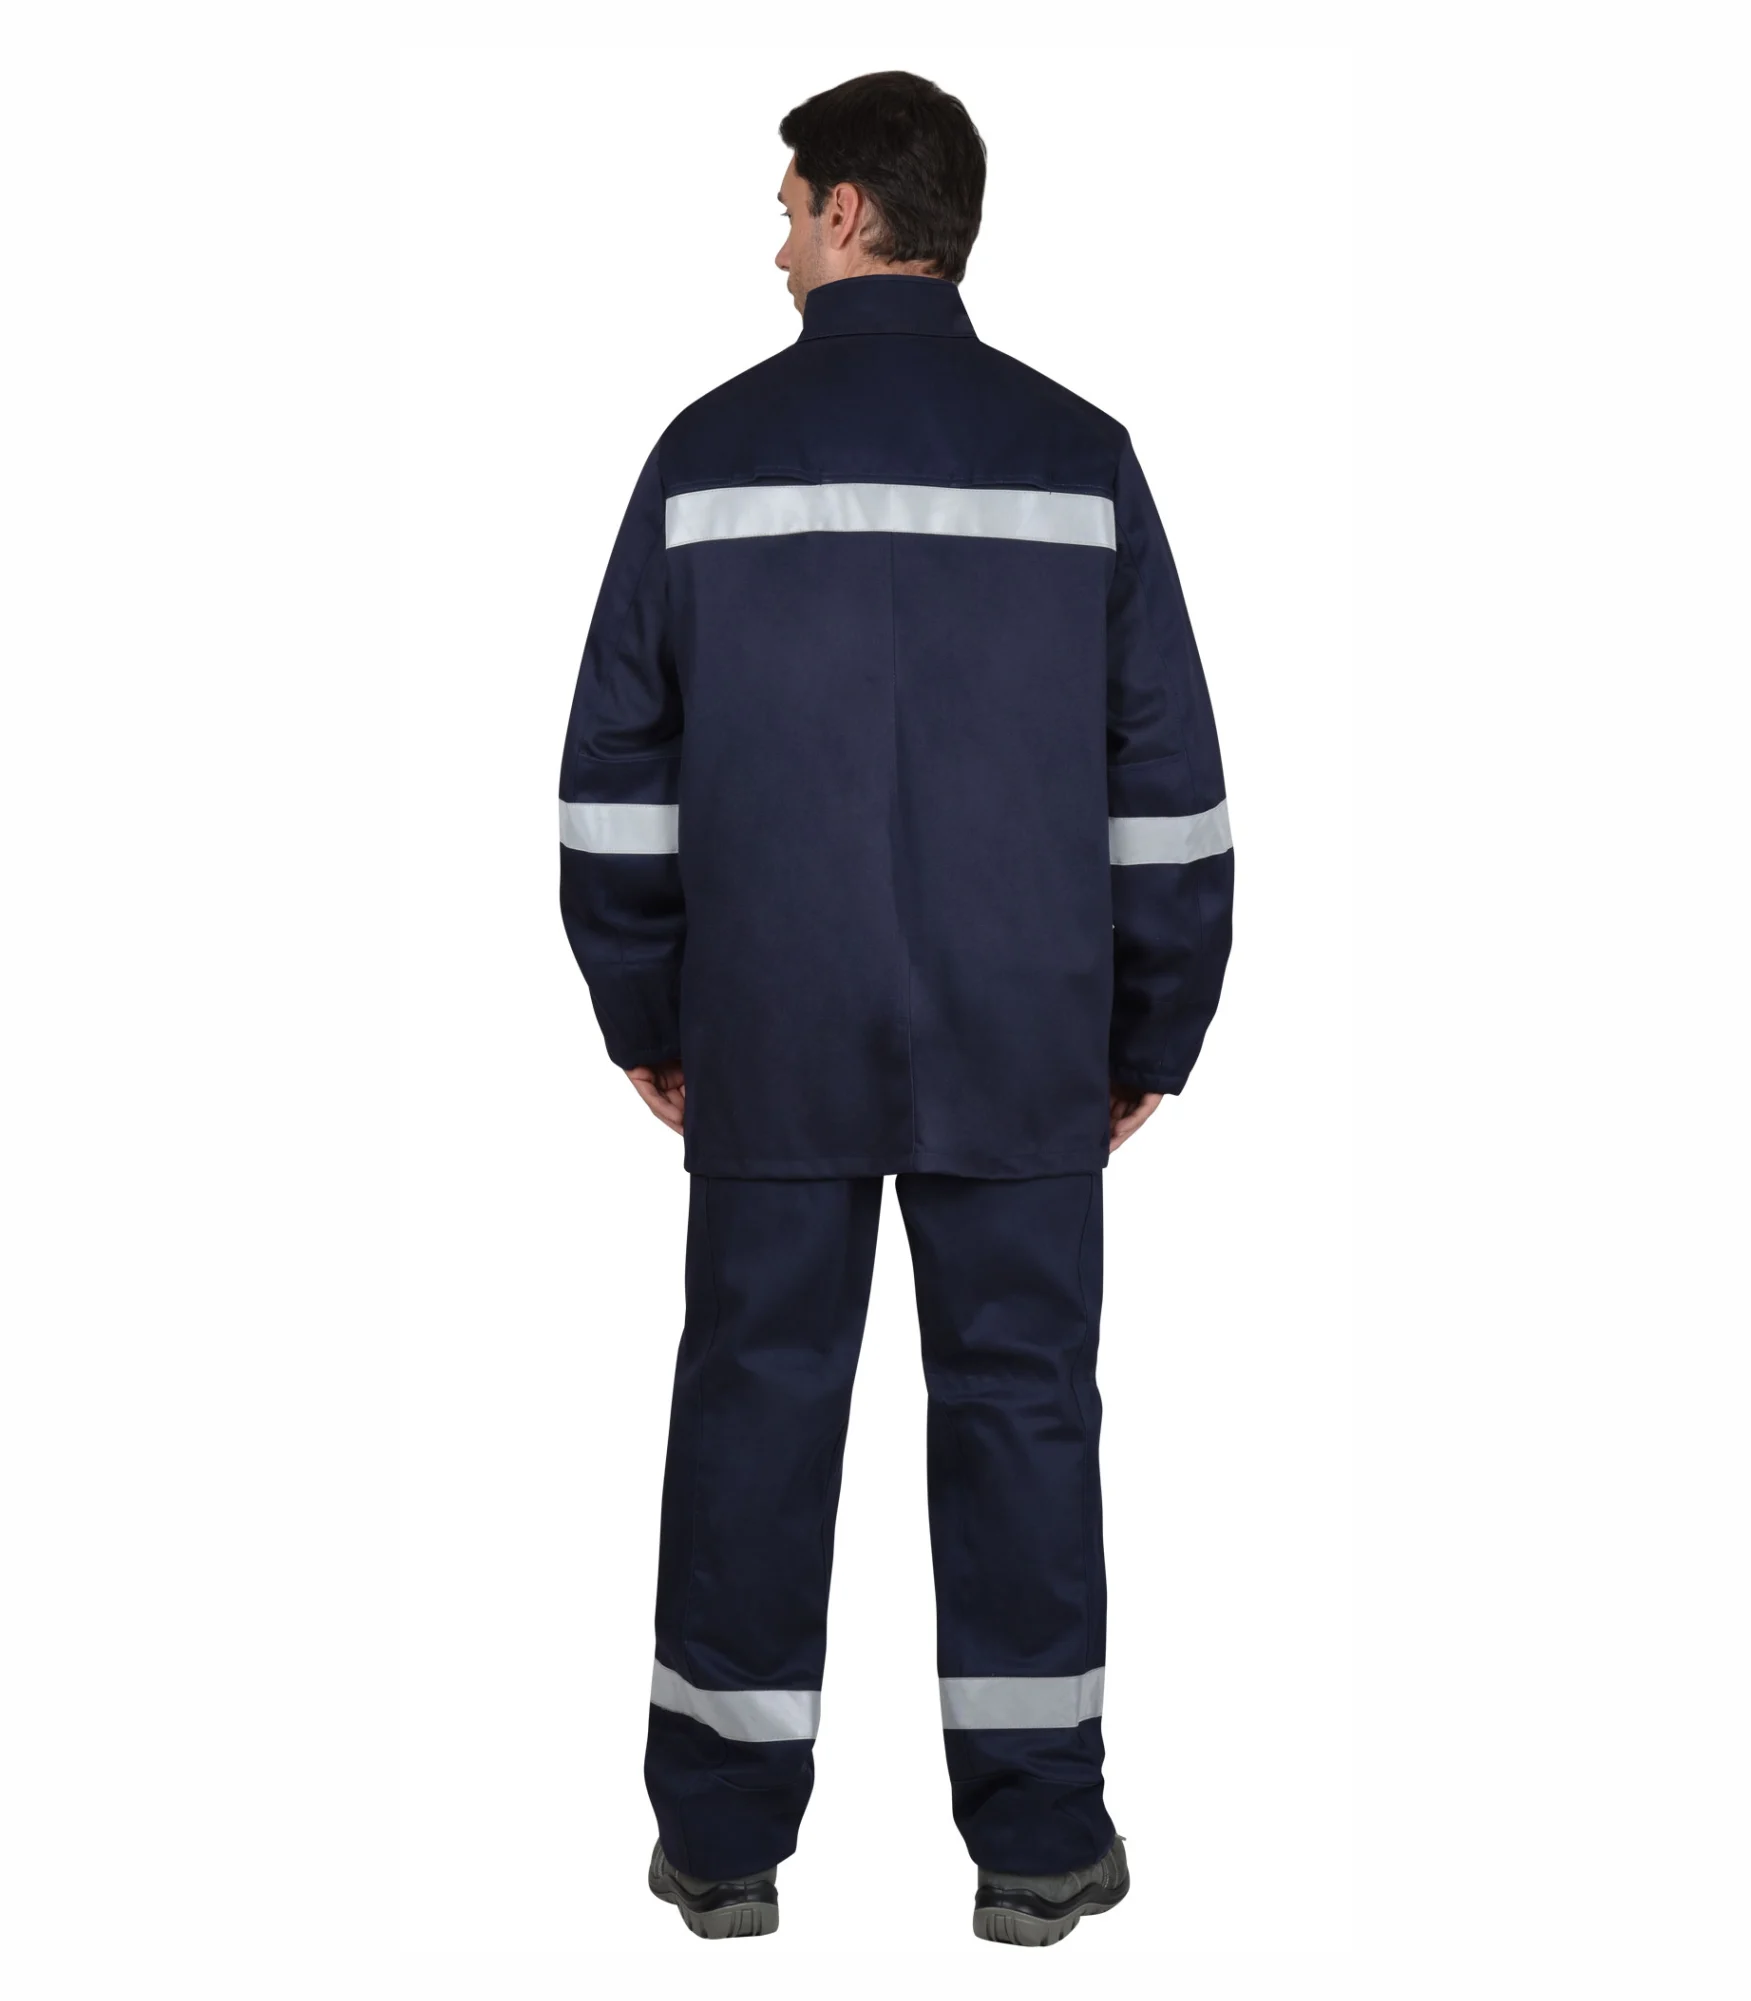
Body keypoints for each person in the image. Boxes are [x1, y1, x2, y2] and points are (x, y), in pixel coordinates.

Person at [557, 70, 1233, 1947]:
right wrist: (1149, 1027)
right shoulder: (1079, 458)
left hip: (767, 1024)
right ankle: (1037, 1847)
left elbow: (615, 775)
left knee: (752, 1407)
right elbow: (1165, 783)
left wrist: (645, 1001)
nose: (773, 239)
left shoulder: (706, 455)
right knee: (1021, 1417)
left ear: (853, 209)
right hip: (1024, 1032)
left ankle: (720, 1849)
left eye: (786, 205)